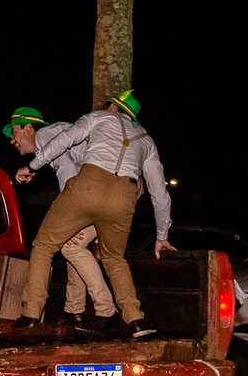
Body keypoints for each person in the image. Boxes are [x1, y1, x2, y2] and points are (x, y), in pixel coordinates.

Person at [15, 90, 175, 337]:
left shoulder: (98, 117)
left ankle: (30, 315)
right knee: (115, 259)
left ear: (113, 107)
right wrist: (162, 235)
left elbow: (64, 140)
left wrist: (32, 166)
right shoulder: (147, 140)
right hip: (124, 195)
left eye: (108, 105)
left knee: (44, 246)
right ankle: (135, 320)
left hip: (89, 184)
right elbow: (159, 193)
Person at [5, 106, 115, 325]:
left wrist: (69, 207)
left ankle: (31, 312)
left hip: (88, 194)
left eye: (14, 131)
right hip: (110, 193)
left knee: (43, 246)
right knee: (72, 246)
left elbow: (68, 169)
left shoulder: (45, 134)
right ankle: (74, 310)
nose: (12, 140)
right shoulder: (59, 132)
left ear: (29, 128)